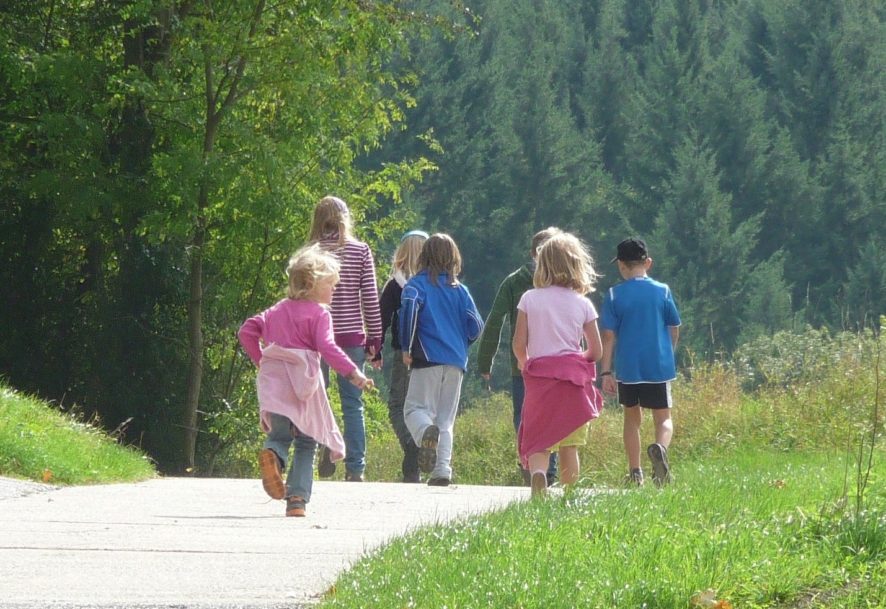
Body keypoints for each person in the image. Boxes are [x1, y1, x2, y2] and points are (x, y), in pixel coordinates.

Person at [238, 244, 374, 517]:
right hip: (304, 387)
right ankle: (297, 499)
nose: (335, 290)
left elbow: (246, 331)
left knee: (278, 435)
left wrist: (262, 361)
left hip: (275, 385)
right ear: (312, 284)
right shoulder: (319, 313)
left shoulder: (276, 310)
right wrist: (353, 373)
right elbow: (327, 347)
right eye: (332, 285)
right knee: (306, 441)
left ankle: (273, 457)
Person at [512, 231, 604, 498]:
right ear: (577, 264)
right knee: (569, 445)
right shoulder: (583, 303)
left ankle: (539, 477)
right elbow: (596, 351)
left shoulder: (529, 298)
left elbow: (519, 343)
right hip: (572, 382)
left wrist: (525, 363)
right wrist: (577, 361)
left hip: (540, 379)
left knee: (539, 440)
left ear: (542, 265)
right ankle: (570, 493)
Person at [477, 227, 561, 485]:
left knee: (523, 416)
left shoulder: (515, 281)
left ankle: (531, 464)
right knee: (554, 416)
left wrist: (485, 360)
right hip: (557, 366)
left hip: (523, 364)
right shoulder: (565, 282)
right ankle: (549, 472)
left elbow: (494, 321)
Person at [399, 233, 484, 487]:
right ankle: (442, 470)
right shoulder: (461, 291)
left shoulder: (416, 286)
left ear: (424, 256)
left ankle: (425, 432)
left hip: (427, 357)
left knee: (415, 409)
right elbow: (476, 326)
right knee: (446, 418)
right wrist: (461, 343)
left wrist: (406, 345)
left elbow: (410, 312)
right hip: (456, 361)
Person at [308, 195, 383, 482]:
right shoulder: (360, 250)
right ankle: (356, 468)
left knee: (317, 398)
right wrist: (375, 341)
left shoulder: (311, 252)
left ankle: (321, 450)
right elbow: (370, 300)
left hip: (315, 336)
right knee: (353, 403)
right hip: (351, 336)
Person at [599, 237, 681, 487]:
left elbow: (609, 336)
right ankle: (660, 449)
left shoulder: (614, 295)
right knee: (663, 418)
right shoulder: (663, 291)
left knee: (632, 419)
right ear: (648, 263)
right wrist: (669, 352)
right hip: (659, 364)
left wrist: (606, 372)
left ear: (621, 265)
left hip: (628, 368)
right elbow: (674, 326)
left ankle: (636, 473)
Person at [378, 229, 429, 483]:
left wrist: (375, 350)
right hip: (432, 355)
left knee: (397, 405)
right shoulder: (435, 284)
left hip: (403, 353)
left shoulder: (394, 286)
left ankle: (411, 446)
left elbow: (381, 322)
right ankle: (416, 462)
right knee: (423, 408)